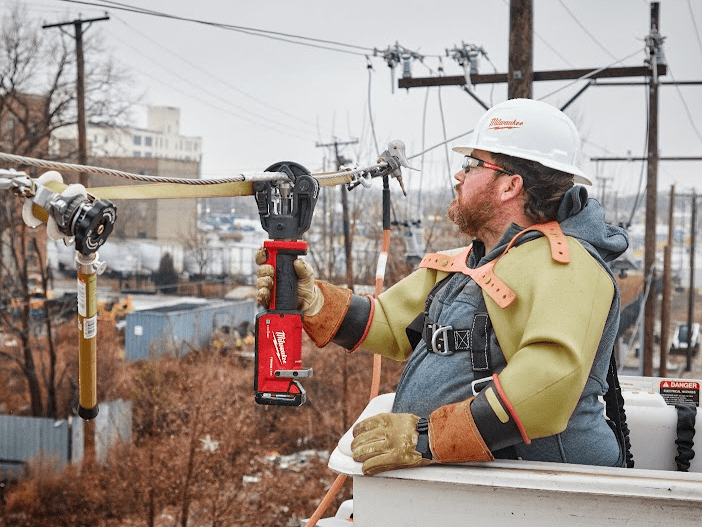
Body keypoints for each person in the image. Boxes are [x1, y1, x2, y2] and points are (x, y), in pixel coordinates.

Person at [256, 98, 629, 476]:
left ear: (510, 185)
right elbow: (389, 321)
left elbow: (547, 384)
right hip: (481, 482)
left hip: (552, 489)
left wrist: (426, 439)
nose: (459, 176)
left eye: (472, 165)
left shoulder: (568, 267)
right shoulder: (473, 261)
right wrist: (315, 301)